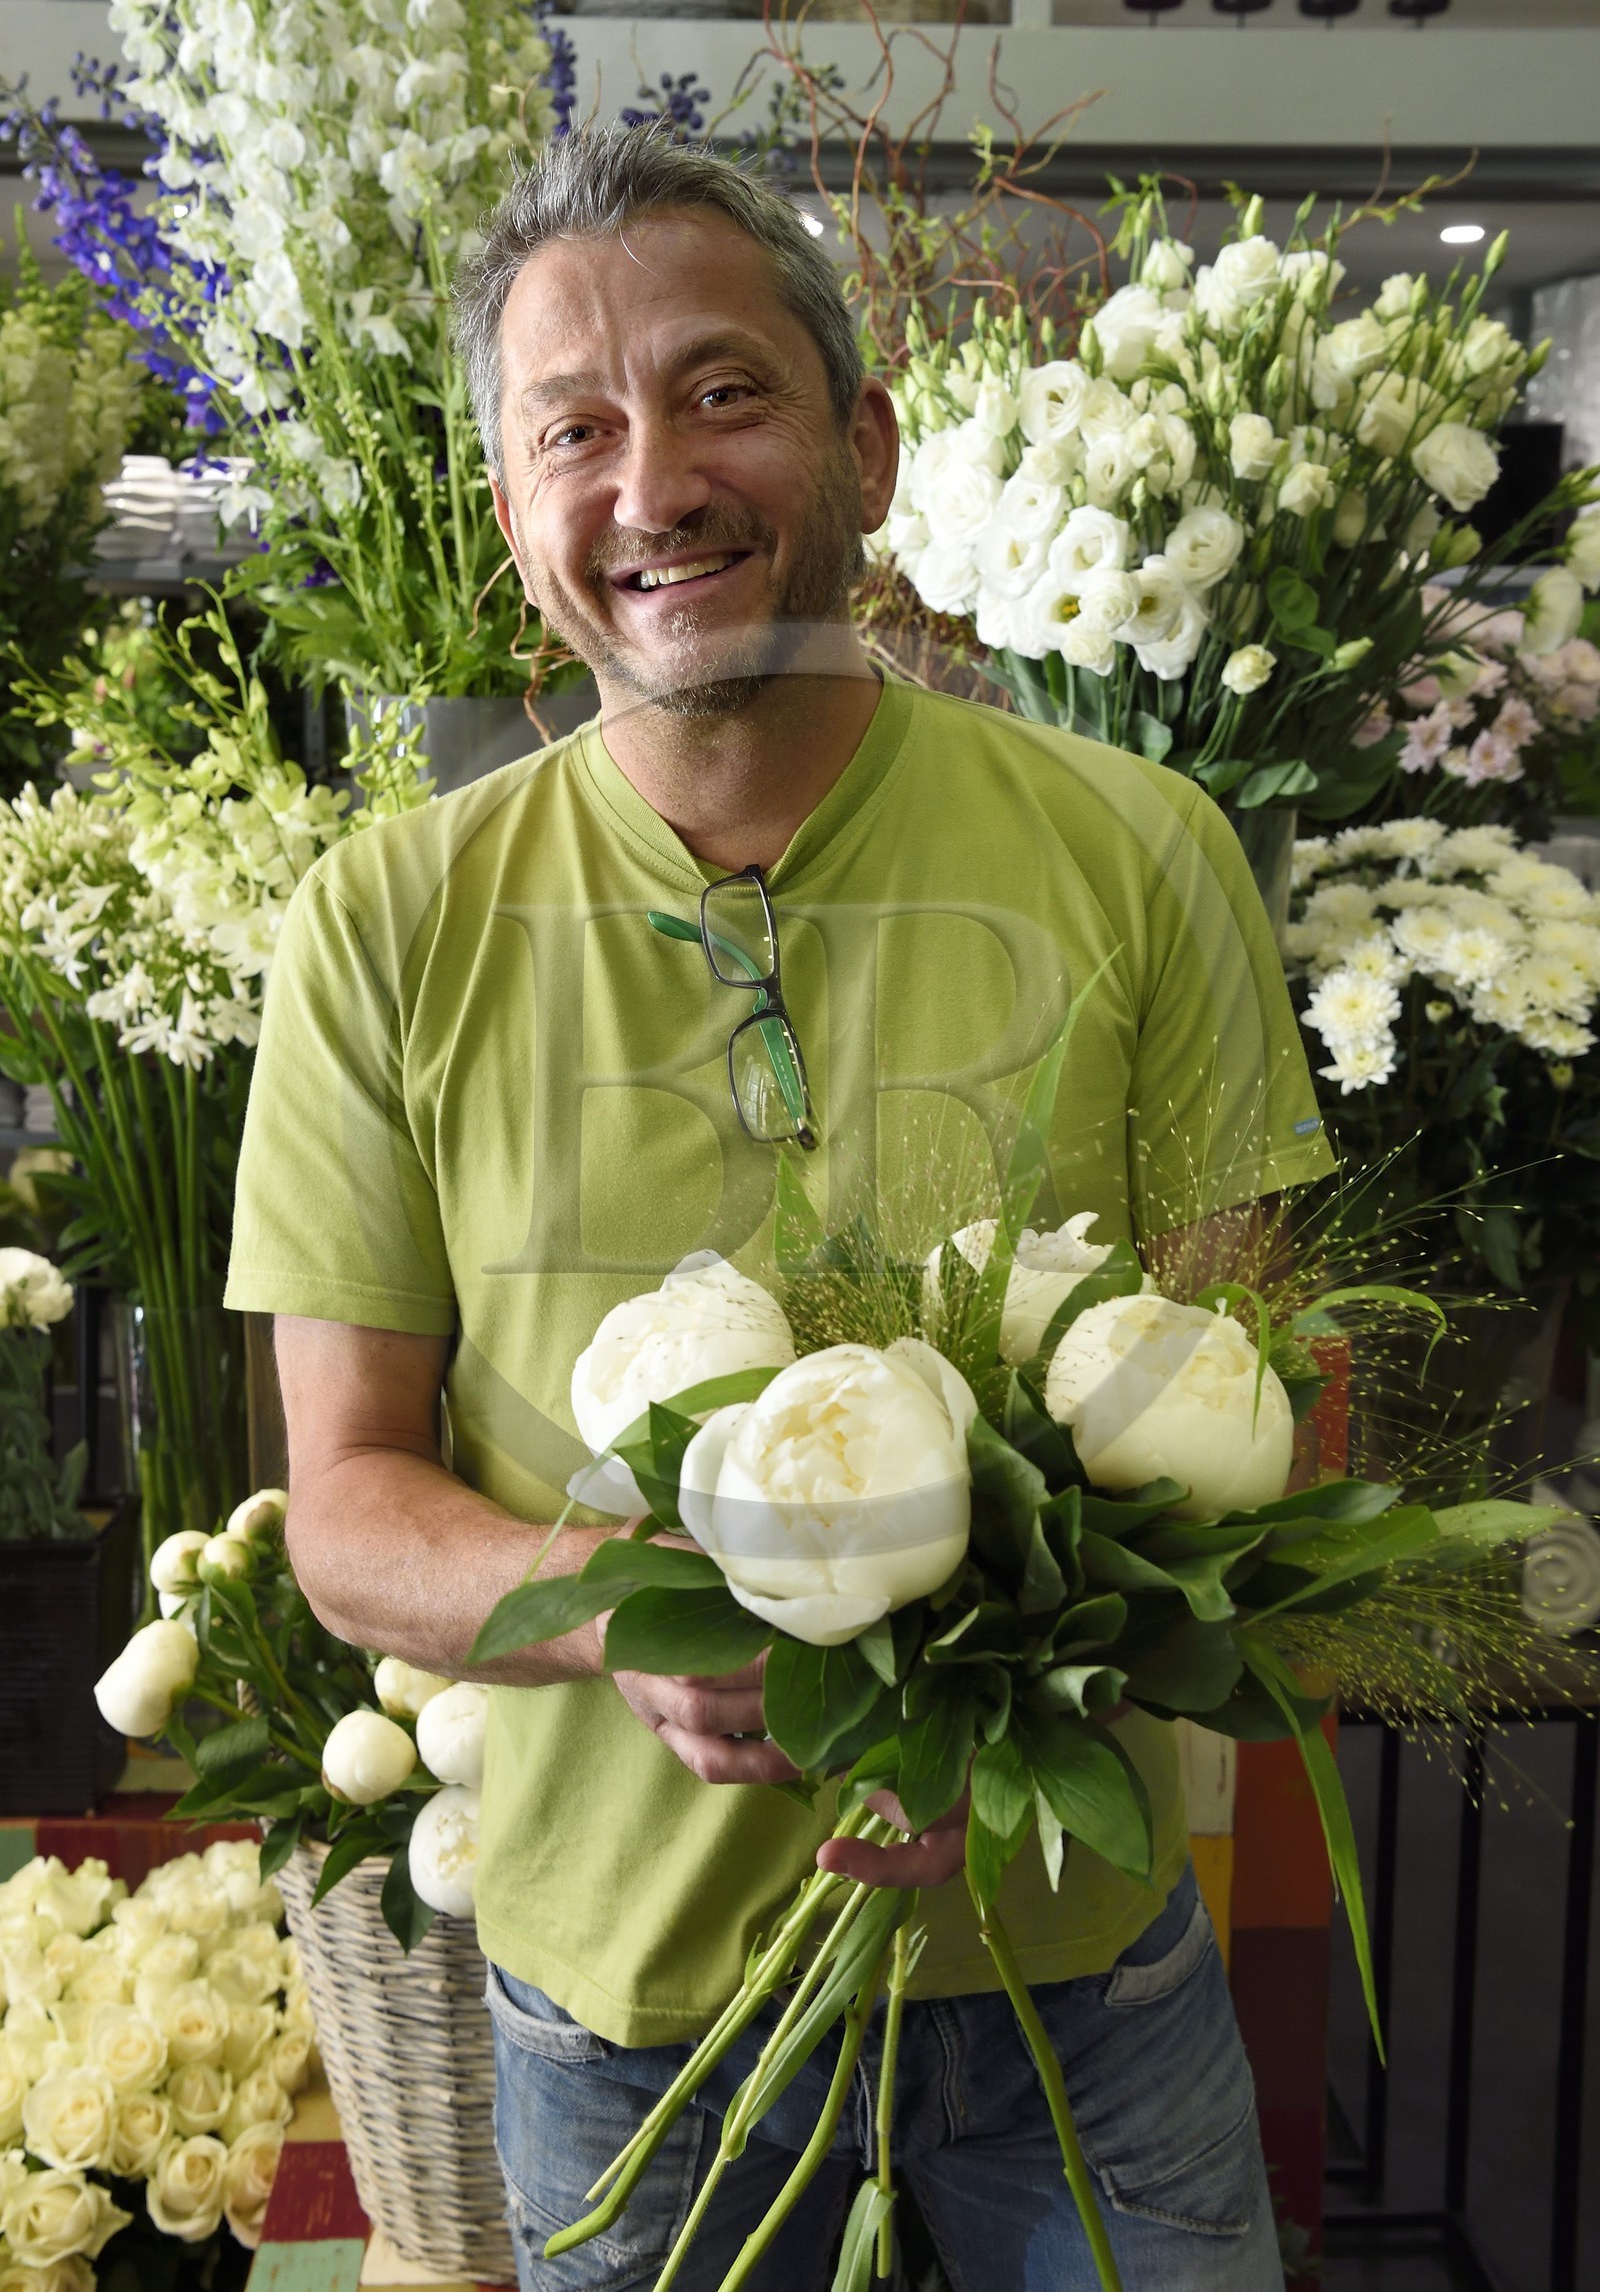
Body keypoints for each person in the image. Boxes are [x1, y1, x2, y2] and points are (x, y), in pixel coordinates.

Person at [226, 125, 1335, 2292]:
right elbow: (346, 1506)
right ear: (512, 515)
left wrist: (996, 1686)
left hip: (1080, 1981)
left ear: (869, 444)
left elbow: (1290, 1394)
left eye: (724, 390)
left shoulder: (1140, 851)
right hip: (626, 2022)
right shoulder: (382, 924)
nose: (651, 483)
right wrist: (629, 1598)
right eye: (574, 426)